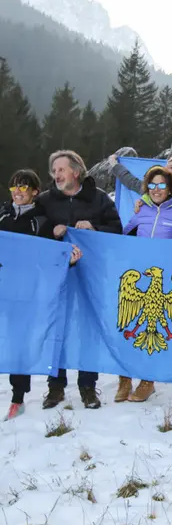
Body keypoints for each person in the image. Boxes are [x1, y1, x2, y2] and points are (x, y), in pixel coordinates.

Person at [37, 150, 122, 410]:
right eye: (54, 171)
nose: (56, 175)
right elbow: (35, 230)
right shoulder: (45, 201)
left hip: (90, 275)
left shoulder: (98, 199)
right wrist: (51, 231)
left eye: (61, 170)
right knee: (57, 330)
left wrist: (95, 230)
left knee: (87, 331)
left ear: (76, 171)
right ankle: (55, 387)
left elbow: (117, 231)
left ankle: (87, 387)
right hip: (57, 276)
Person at [0, 170, 79, 419]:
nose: (18, 192)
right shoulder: (2, 215)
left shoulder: (42, 221)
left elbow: (53, 256)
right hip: (3, 286)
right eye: (14, 187)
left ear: (35, 191)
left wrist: (70, 261)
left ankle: (18, 397)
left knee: (19, 341)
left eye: (24, 187)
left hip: (27, 291)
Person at [118, 167, 172, 403]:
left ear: (170, 188)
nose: (157, 190)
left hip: (162, 281)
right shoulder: (140, 211)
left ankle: (147, 380)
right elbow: (123, 239)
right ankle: (124, 378)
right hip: (138, 277)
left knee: (152, 331)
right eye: (153, 185)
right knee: (126, 326)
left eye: (162, 186)